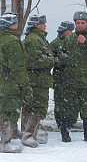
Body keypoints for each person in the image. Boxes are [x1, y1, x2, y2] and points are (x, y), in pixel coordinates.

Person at [59, 11, 87, 143]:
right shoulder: (69, 38)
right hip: (71, 79)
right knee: (68, 107)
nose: (79, 26)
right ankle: (65, 132)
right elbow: (61, 53)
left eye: (82, 23)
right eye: (77, 23)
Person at [0, 12, 33, 153]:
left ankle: (3, 138)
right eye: (15, 22)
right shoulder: (12, 41)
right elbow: (18, 66)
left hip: (4, 78)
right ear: (11, 25)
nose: (17, 24)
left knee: (6, 108)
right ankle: (5, 142)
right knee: (10, 110)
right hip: (11, 79)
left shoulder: (2, 39)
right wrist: (25, 84)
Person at [21, 14, 54, 148]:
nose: (44, 25)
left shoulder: (38, 38)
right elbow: (34, 61)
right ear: (36, 25)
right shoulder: (35, 40)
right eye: (42, 23)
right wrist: (51, 60)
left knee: (30, 106)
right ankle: (28, 135)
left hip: (38, 79)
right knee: (37, 106)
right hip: (37, 79)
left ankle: (29, 132)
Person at [50, 21, 76, 128]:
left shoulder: (74, 42)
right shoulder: (55, 44)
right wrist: (62, 60)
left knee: (73, 100)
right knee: (60, 100)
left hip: (73, 76)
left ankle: (71, 120)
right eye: (69, 30)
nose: (70, 32)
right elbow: (51, 60)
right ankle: (60, 122)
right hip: (60, 77)